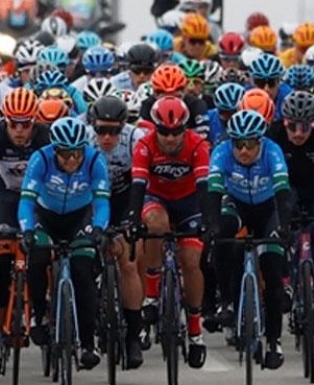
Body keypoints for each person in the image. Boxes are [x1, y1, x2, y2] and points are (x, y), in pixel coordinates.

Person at [19, 117, 110, 369]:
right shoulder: (41, 158)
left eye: (77, 153)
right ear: (55, 150)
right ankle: (40, 316)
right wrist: (27, 230)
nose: (72, 160)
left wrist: (100, 229)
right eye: (66, 154)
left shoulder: (94, 160)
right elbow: (26, 200)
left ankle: (88, 342)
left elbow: (102, 202)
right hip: (45, 216)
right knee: (37, 259)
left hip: (79, 217)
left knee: (83, 272)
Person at [205, 109, 292, 368]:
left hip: (268, 210)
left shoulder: (273, 152)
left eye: (250, 144)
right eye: (238, 144)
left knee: (273, 273)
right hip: (238, 204)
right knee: (222, 235)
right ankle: (227, 302)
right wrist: (210, 226)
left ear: (260, 142)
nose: (243, 151)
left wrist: (284, 228)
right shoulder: (220, 152)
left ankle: (274, 340)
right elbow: (212, 192)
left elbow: (283, 194)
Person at [129, 96, 210, 368]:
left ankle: (196, 332)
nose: (171, 138)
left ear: (185, 128)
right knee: (156, 225)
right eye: (164, 131)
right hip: (157, 198)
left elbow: (204, 188)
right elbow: (138, 186)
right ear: (155, 128)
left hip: (189, 203)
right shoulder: (144, 145)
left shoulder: (198, 145)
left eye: (177, 132)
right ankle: (151, 295)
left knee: (190, 261)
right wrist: (132, 219)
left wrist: (209, 220)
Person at [267, 91, 314, 356]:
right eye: (293, 126)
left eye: (305, 127)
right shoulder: (274, 135)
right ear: (284, 122)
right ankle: (286, 280)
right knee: (282, 228)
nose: (299, 133)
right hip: (286, 187)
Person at [0, 88, 50, 374]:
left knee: (44, 258)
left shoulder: (44, 137)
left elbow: (54, 177)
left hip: (38, 198)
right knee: (1, 267)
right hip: (5, 197)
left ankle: (45, 313)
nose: (20, 131)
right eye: (14, 124)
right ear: (5, 121)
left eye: (26, 124)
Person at [87, 96, 146, 367]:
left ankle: (134, 335)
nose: (107, 137)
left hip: (124, 198)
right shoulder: (83, 138)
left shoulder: (136, 138)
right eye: (101, 130)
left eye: (114, 131)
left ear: (124, 126)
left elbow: (143, 181)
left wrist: (133, 218)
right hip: (88, 199)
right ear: (92, 126)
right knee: (85, 260)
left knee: (128, 264)